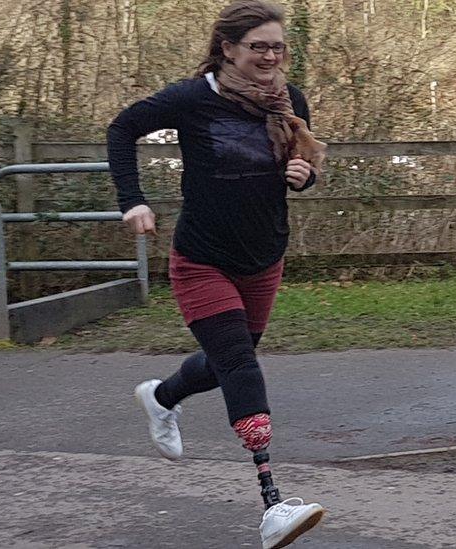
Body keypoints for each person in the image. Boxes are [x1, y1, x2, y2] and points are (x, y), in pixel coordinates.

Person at [106, 1, 327, 547]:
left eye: (278, 47)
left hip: (264, 257)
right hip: (202, 258)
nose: (271, 56)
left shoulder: (288, 101)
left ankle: (161, 396)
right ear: (228, 48)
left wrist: (304, 176)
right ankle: (274, 504)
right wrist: (132, 201)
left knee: (227, 361)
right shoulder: (191, 99)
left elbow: (301, 167)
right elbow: (122, 128)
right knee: (241, 366)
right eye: (259, 46)